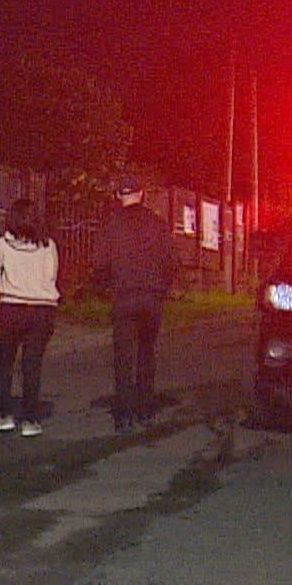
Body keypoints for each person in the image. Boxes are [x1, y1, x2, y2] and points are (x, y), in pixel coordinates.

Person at [96, 179, 174, 432]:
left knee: (123, 357)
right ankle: (145, 410)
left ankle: (124, 415)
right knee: (146, 353)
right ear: (142, 194)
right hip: (151, 297)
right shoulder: (158, 224)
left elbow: (100, 264)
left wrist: (107, 285)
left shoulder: (112, 225)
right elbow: (172, 261)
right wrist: (162, 287)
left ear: (119, 195)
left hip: (124, 296)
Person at [0, 197, 59, 437]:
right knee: (32, 364)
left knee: (4, 363)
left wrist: (2, 287)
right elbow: (51, 275)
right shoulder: (48, 246)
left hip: (12, 307)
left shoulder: (3, 244)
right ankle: (30, 420)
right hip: (43, 309)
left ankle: (4, 415)